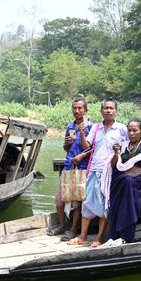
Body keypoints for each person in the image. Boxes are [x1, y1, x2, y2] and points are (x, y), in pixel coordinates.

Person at [67, 97, 128, 247]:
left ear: (116, 111)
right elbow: (87, 145)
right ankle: (83, 236)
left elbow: (126, 150)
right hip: (93, 169)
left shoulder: (121, 129)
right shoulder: (95, 127)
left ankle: (99, 239)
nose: (108, 111)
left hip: (109, 172)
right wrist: (81, 133)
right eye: (105, 108)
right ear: (101, 111)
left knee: (104, 205)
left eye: (111, 108)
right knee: (87, 203)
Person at [47, 97, 92, 240]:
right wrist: (67, 143)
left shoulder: (91, 126)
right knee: (59, 199)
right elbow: (66, 149)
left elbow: (93, 149)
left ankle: (72, 230)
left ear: (86, 110)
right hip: (68, 166)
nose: (77, 111)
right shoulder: (70, 126)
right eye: (74, 108)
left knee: (77, 202)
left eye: (80, 108)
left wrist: (82, 156)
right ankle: (62, 225)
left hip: (82, 168)